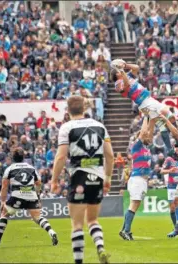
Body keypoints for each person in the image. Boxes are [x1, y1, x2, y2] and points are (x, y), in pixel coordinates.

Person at [51, 96, 114, 264]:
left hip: (79, 176)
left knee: (77, 224)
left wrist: (54, 180)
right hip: (98, 177)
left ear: (68, 110)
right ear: (84, 108)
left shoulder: (67, 128)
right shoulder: (100, 126)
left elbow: (61, 157)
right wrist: (107, 178)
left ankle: (79, 261)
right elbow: (110, 155)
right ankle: (100, 247)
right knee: (92, 220)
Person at [0, 148, 58, 248]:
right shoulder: (31, 168)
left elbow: (4, 186)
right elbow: (38, 183)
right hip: (31, 195)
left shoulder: (10, 169)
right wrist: (37, 196)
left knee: (4, 214)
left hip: (17, 196)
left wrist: (3, 201)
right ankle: (51, 232)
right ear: (23, 157)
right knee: (37, 217)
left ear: (13, 158)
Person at [110, 59, 174, 151]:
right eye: (118, 70)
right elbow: (127, 84)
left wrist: (125, 65)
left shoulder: (127, 75)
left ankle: (155, 141)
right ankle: (167, 148)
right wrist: (122, 70)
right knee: (161, 124)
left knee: (171, 117)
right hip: (143, 103)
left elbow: (136, 68)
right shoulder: (117, 85)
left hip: (149, 98)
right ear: (117, 74)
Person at [119, 117, 154, 240]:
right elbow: (144, 132)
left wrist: (152, 118)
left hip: (143, 180)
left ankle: (124, 230)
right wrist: (145, 116)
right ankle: (126, 231)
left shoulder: (146, 148)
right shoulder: (136, 146)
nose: (148, 135)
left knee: (135, 204)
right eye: (145, 134)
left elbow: (149, 133)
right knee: (134, 204)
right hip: (137, 178)